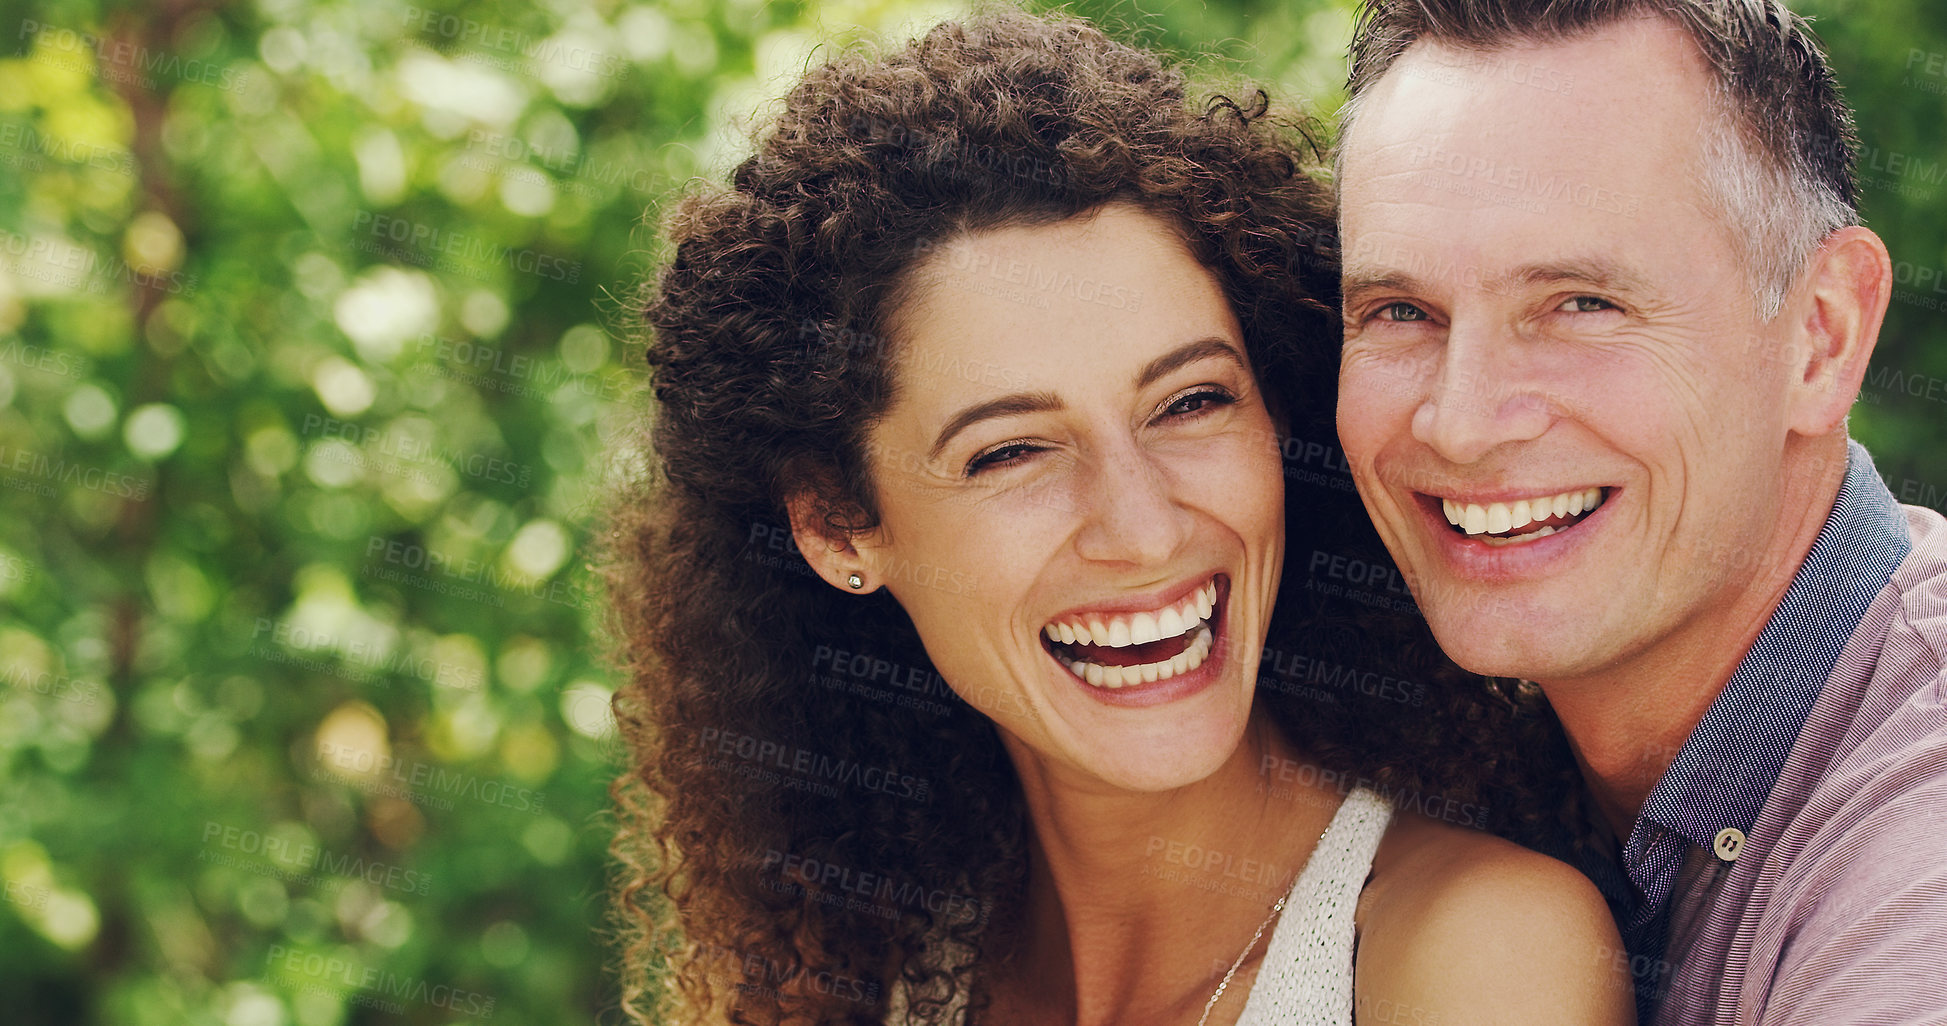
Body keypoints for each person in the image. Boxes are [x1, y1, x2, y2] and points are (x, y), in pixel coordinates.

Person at [608, 10, 1632, 1026]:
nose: (1142, 529)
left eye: (1191, 403)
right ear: (838, 526)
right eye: (1010, 451)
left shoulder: (1471, 953)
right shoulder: (888, 975)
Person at [1331, 0, 1947, 1023]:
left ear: (1822, 338)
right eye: (1402, 311)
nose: (1463, 424)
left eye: (1581, 303)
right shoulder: (1429, 774)